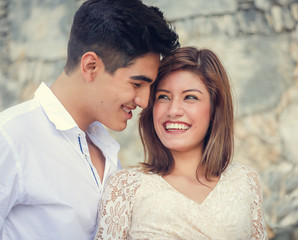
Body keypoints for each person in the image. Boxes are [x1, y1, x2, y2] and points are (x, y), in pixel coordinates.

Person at [0, 0, 179, 239]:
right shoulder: (11, 138)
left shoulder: (104, 149)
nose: (145, 101)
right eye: (137, 84)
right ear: (91, 66)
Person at [94, 47, 268, 239]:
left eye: (190, 97)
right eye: (163, 97)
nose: (173, 110)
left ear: (214, 110)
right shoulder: (125, 187)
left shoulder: (245, 182)